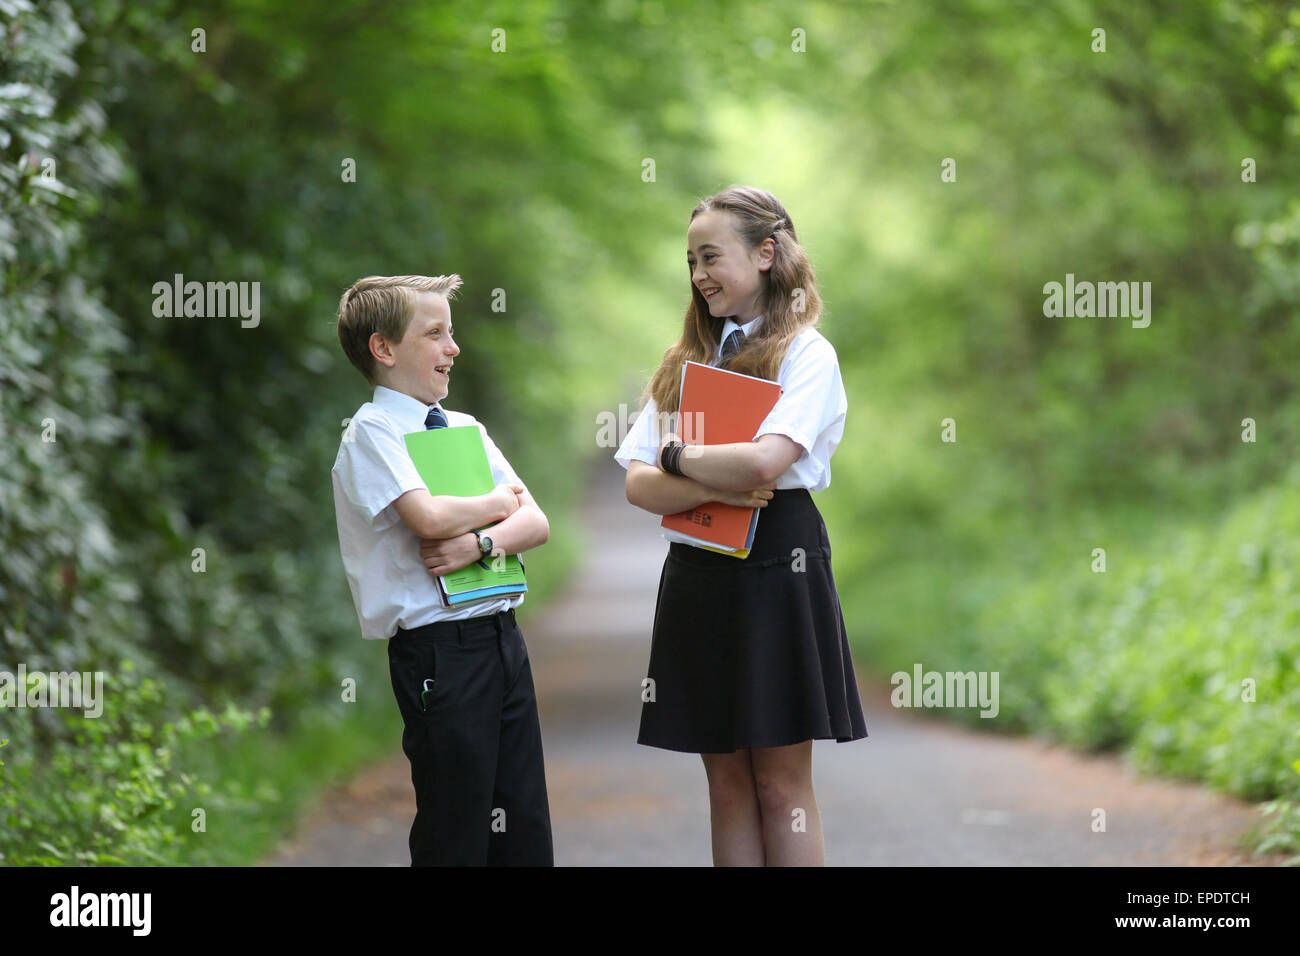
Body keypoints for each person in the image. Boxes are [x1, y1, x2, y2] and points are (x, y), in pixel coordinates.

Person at [615, 186, 868, 866]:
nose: (699, 276)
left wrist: (675, 458)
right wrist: (694, 473)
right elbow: (639, 484)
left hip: (779, 563)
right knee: (725, 783)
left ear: (765, 254)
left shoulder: (807, 355)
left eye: (711, 257)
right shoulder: (684, 361)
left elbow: (767, 460)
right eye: (691, 261)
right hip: (699, 566)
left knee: (779, 782)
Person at [331, 273, 553, 866]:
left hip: (503, 641)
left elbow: (539, 524)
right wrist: (500, 504)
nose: (453, 348)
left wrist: (479, 543)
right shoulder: (372, 432)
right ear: (384, 348)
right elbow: (427, 517)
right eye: (435, 334)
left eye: (449, 334)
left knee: (523, 825)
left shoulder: (464, 429)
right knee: (457, 828)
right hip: (439, 653)